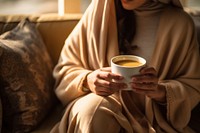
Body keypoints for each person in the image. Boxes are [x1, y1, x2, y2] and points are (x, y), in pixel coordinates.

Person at [50, 0, 200, 132]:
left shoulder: (180, 24)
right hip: (101, 112)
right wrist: (87, 79)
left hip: (152, 119)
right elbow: (65, 69)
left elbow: (193, 85)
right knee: (93, 109)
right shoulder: (98, 13)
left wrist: (161, 91)